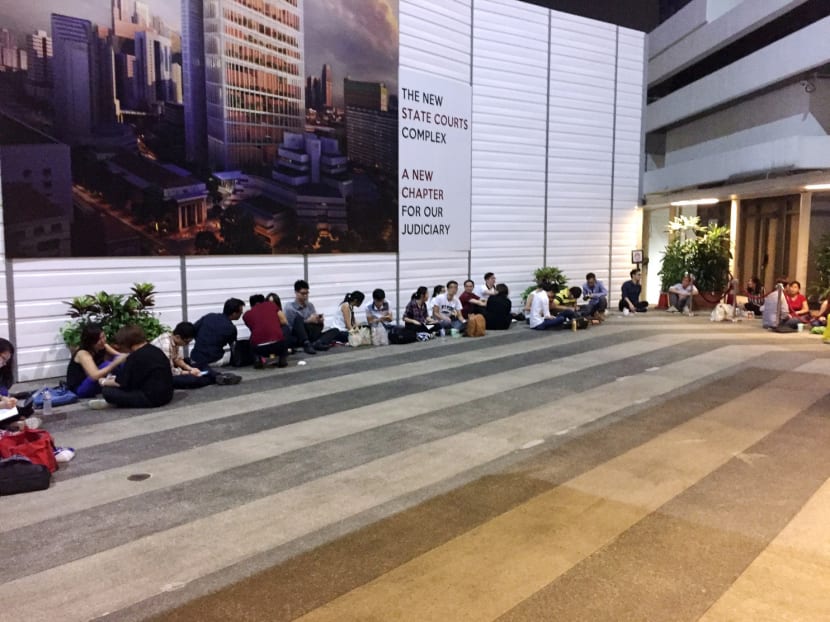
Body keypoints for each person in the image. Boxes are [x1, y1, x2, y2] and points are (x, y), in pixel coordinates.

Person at [93, 325, 173, 409]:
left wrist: (103, 382)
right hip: (167, 395)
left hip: (151, 399)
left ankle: (116, 403)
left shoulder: (135, 357)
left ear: (126, 343)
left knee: (107, 391)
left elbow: (121, 383)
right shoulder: (156, 350)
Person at [65, 323, 129, 398]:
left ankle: (129, 380)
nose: (103, 341)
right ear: (91, 342)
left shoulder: (102, 345)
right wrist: (115, 363)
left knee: (118, 359)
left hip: (97, 382)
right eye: (99, 340)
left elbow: (119, 356)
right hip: (80, 389)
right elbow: (94, 375)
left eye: (103, 337)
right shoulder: (83, 354)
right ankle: (123, 383)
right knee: (107, 364)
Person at [151, 322, 215, 389]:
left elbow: (177, 359)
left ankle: (210, 375)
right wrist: (189, 372)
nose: (187, 344)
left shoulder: (173, 338)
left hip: (170, 366)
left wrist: (190, 368)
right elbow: (169, 371)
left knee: (195, 363)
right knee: (192, 380)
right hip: (161, 374)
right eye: (186, 342)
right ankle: (211, 378)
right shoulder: (166, 345)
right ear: (178, 337)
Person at [285, 280, 339, 354]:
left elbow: (314, 321)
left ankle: (318, 343)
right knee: (298, 319)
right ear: (296, 293)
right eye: (303, 293)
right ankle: (307, 344)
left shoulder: (310, 305)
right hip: (298, 336)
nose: (305, 296)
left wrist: (319, 320)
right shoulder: (290, 307)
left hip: (311, 333)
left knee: (335, 330)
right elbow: (290, 327)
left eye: (307, 293)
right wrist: (307, 321)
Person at [190, 298, 244, 368]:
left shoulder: (209, 316)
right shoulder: (231, 328)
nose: (241, 314)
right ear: (234, 314)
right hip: (213, 361)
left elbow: (193, 330)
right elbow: (234, 348)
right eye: (240, 312)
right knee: (230, 355)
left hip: (194, 359)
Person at [243, 295, 288, 368]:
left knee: (253, 336)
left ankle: (257, 359)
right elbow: (284, 321)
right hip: (278, 345)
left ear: (251, 305)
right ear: (264, 301)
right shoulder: (271, 305)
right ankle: (282, 358)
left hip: (259, 349)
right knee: (285, 328)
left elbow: (252, 329)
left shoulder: (246, 315)